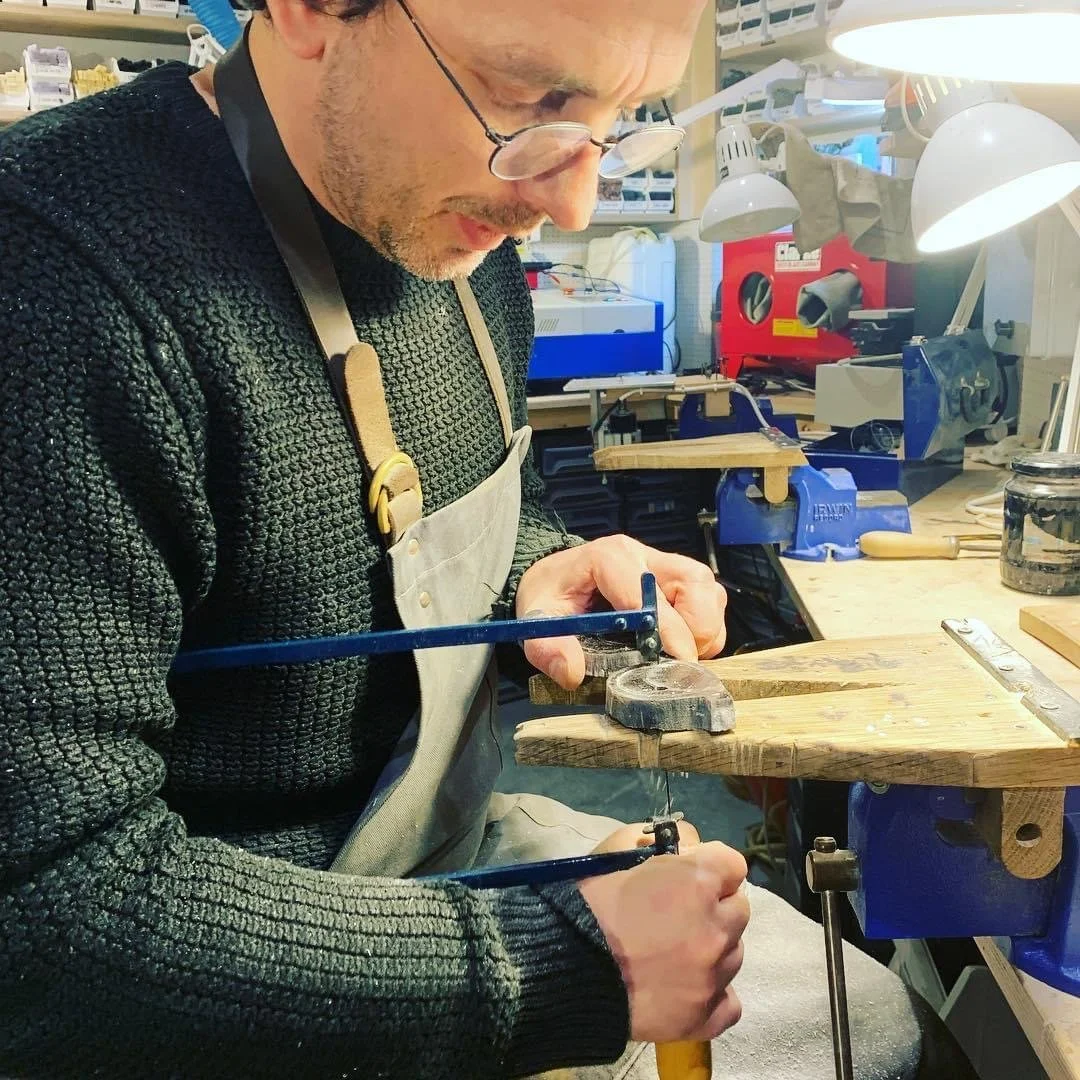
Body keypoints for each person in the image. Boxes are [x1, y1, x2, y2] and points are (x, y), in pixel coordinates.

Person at [0, 0, 976, 1076]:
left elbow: (386, 540)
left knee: (875, 1028)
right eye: (529, 98)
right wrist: (555, 964)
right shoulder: (52, 282)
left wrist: (543, 571)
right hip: (198, 991)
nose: (572, 198)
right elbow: (40, 929)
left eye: (617, 119)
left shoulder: (462, 237)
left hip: (447, 862)